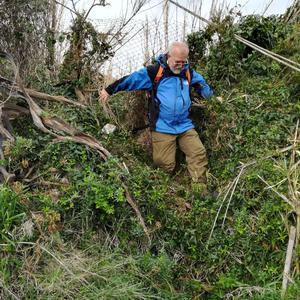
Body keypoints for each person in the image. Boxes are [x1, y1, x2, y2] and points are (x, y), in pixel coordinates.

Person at [100, 41, 213, 185]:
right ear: (169, 56)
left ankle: (199, 191)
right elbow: (131, 79)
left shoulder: (187, 72)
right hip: (162, 126)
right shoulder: (154, 72)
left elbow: (201, 84)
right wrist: (109, 90)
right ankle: (165, 190)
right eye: (178, 62)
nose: (181, 65)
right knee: (165, 164)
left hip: (184, 125)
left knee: (198, 153)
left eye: (184, 62)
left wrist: (210, 97)